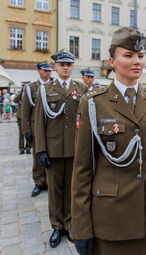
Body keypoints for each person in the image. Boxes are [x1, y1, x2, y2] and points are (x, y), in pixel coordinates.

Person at [71, 27, 146, 255]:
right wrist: (80, 227)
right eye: (128, 55)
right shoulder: (94, 103)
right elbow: (82, 170)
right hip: (110, 216)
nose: (136, 61)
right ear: (112, 61)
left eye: (140, 56)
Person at [35, 49, 88, 248]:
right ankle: (57, 226)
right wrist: (40, 150)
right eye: (62, 65)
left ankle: (71, 223)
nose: (65, 68)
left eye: (69, 65)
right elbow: (39, 122)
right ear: (55, 66)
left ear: (73, 67)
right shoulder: (44, 90)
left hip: (76, 150)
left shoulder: (82, 89)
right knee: (55, 191)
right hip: (54, 149)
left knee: (74, 189)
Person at [22, 61, 53, 197]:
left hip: (51, 128)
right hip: (36, 129)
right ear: (39, 71)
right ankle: (39, 182)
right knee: (37, 157)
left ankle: (49, 182)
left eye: (49, 70)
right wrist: (26, 130)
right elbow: (25, 112)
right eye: (45, 70)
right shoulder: (31, 87)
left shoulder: (54, 86)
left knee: (51, 156)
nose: (48, 73)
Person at [13, 86, 32, 154]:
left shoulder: (30, 93)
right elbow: (15, 100)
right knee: (21, 133)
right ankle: (21, 148)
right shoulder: (20, 94)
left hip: (28, 116)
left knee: (29, 132)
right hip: (20, 116)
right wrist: (21, 93)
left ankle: (28, 147)